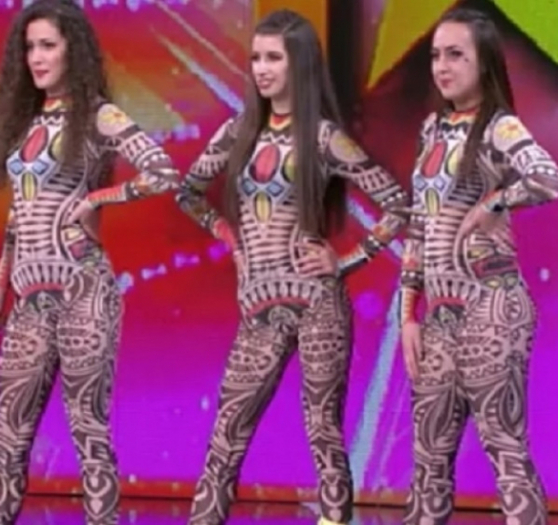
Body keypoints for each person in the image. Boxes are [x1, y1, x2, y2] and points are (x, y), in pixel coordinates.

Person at [176, 10, 410, 525]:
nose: (261, 68)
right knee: (227, 431)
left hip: (316, 302)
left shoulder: (324, 138)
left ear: (299, 64)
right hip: (260, 306)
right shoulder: (238, 132)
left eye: (273, 58)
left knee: (322, 430)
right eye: (256, 58)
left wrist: (346, 260)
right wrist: (231, 240)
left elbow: (400, 205)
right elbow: (187, 192)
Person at [0, 1, 179, 523]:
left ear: (74, 50)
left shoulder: (97, 114)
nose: (36, 58)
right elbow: (19, 215)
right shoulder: (26, 123)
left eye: (48, 45)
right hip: (29, 297)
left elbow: (162, 172)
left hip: (82, 288)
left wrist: (96, 200)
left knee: (88, 428)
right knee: (7, 434)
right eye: (30, 47)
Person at [399, 8, 556, 525]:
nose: (442, 67)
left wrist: (496, 202)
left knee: (504, 447)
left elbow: (549, 177)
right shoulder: (432, 129)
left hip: (492, 304)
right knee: (428, 460)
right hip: (439, 315)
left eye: (455, 55)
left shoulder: (499, 125)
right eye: (435, 56)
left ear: (483, 62)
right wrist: (407, 317)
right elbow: (418, 226)